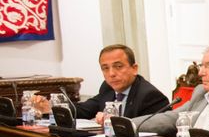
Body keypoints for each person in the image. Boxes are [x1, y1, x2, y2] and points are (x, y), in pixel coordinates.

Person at [32, 44, 169, 123]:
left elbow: (153, 132)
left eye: (118, 66)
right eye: (105, 68)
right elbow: (83, 109)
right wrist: (51, 108)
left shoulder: (150, 96)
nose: (111, 73)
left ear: (134, 69)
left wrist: (116, 123)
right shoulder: (108, 88)